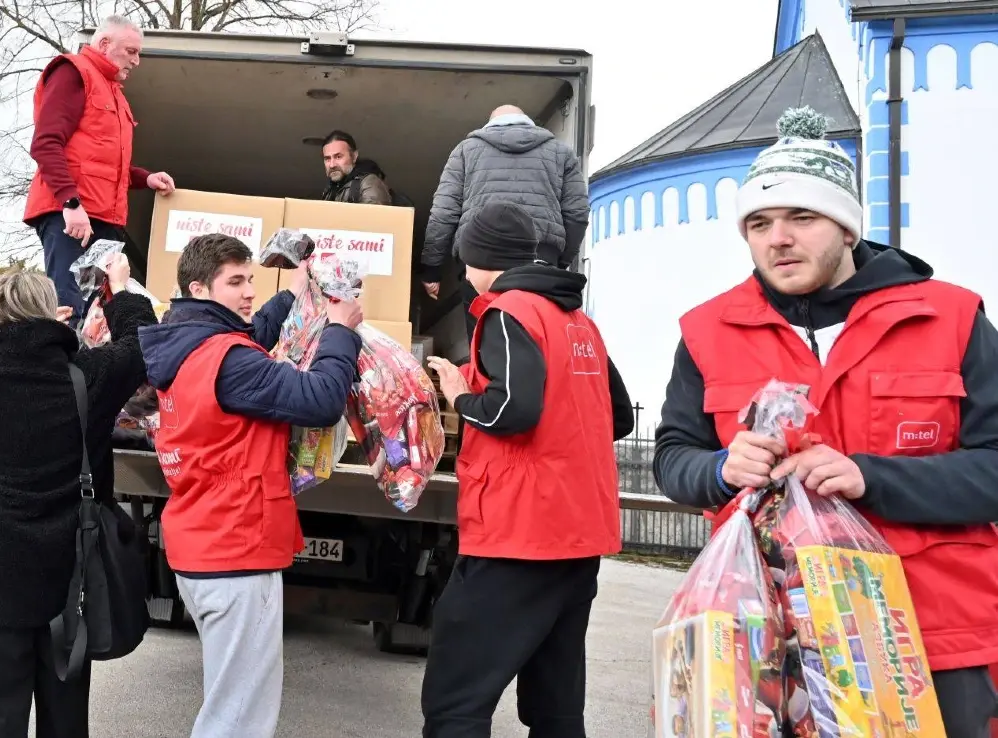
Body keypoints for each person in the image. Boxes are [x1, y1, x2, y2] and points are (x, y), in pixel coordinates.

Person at [652, 107, 998, 736]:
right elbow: (673, 457)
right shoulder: (705, 332)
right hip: (764, 643)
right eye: (759, 223)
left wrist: (872, 478)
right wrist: (720, 469)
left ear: (844, 225)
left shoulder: (950, 319)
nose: (778, 238)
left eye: (801, 217)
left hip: (929, 637)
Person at [420, 201, 634, 738]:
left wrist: (460, 394)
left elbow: (511, 411)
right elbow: (619, 416)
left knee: (455, 696)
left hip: (520, 536)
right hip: (580, 537)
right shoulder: (578, 320)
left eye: (464, 260)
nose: (464, 272)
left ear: (478, 258)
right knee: (555, 705)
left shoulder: (507, 311)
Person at [137, 233, 363, 737]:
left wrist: (294, 292)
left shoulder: (187, 343)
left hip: (202, 544)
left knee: (229, 706)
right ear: (199, 288)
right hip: (237, 551)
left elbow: (248, 337)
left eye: (251, 281)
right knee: (238, 720)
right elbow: (321, 398)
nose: (248, 293)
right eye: (235, 282)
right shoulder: (231, 361)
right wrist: (340, 332)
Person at [0, 260, 155, 738]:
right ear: (50, 314)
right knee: (65, 721)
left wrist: (46, 328)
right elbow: (142, 340)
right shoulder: (89, 376)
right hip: (72, 580)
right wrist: (120, 290)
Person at [23, 14, 176, 327]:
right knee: (70, 309)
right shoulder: (73, 73)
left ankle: (86, 374)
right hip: (74, 220)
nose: (137, 60)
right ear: (105, 44)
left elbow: (104, 164)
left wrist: (145, 178)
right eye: (131, 51)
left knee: (95, 316)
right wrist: (71, 203)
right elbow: (45, 143)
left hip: (102, 223)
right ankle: (62, 374)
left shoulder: (113, 92)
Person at [421, 105, 590, 340]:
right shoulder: (561, 152)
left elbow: (443, 213)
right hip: (540, 261)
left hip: (481, 262)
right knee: (539, 337)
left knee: (484, 342)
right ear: (527, 121)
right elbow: (577, 214)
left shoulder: (466, 151)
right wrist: (560, 261)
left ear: (490, 123)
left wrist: (431, 270)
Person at [320, 130, 393, 205]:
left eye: (338, 157)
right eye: (327, 159)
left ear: (354, 156)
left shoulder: (368, 183)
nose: (332, 165)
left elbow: (375, 215)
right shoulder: (331, 188)